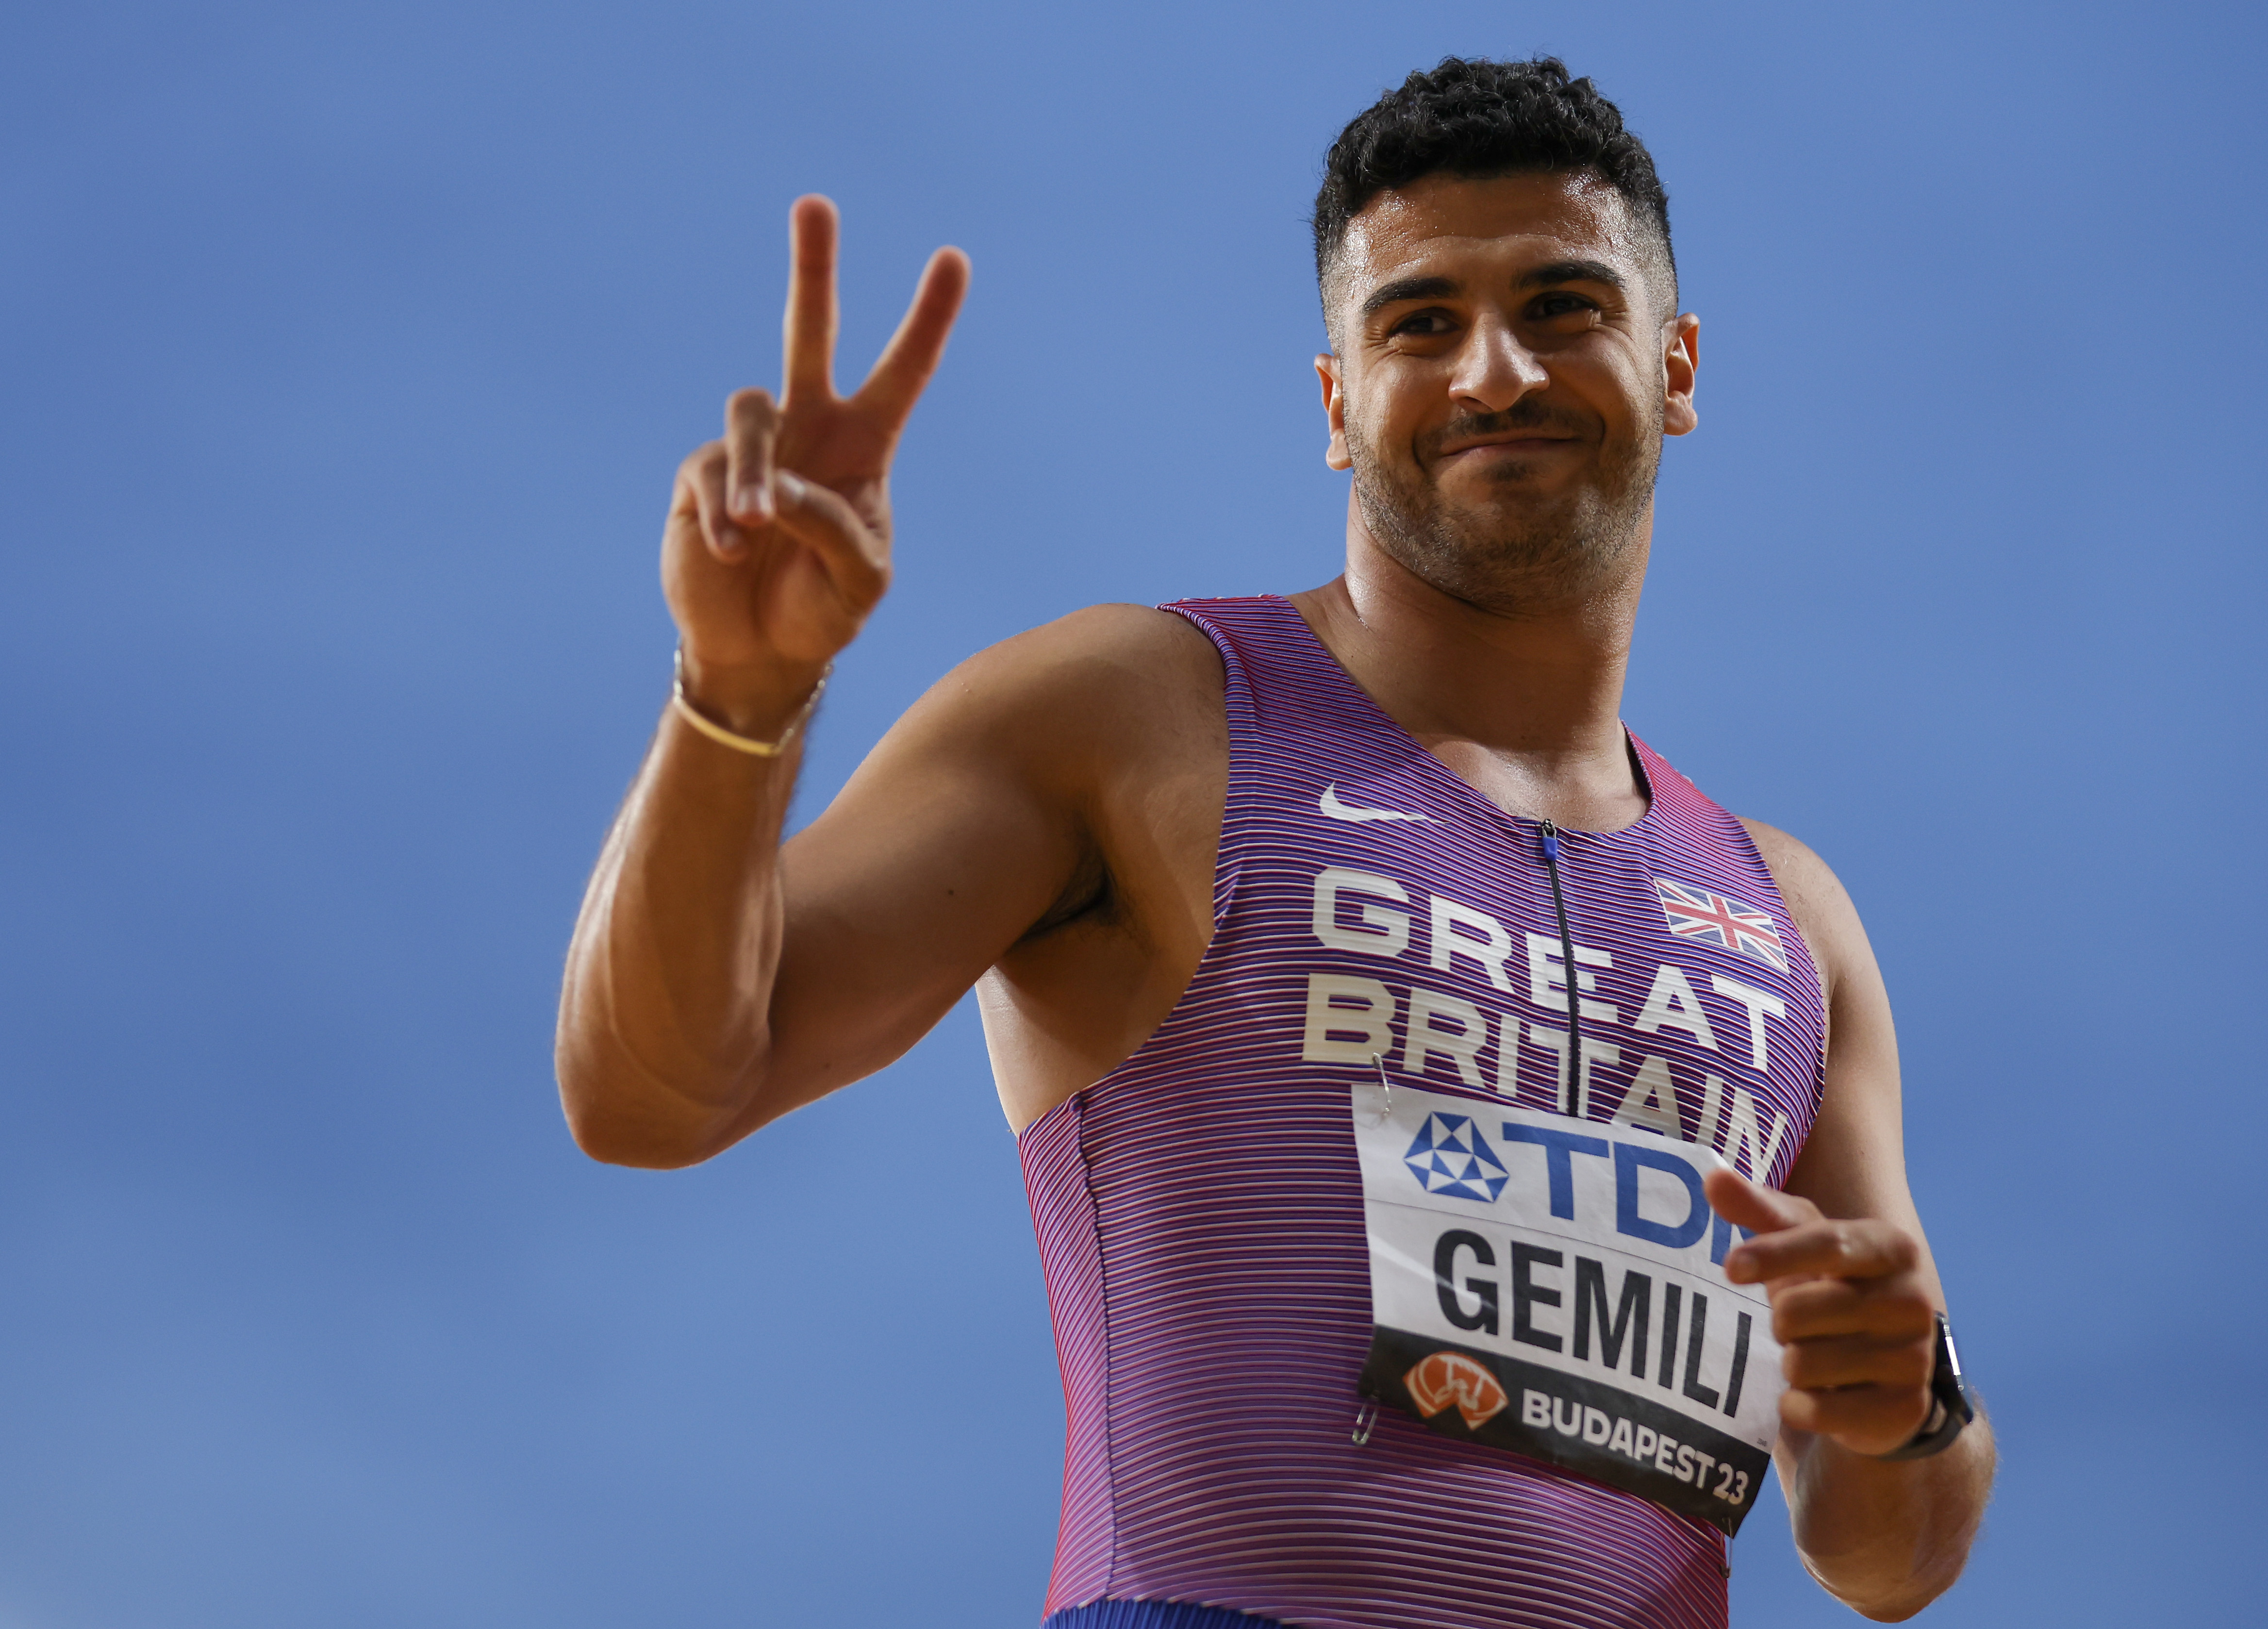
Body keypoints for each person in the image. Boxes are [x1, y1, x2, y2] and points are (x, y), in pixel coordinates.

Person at [557, 56, 1994, 1629]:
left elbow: (1887, 1556)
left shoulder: (1786, 917)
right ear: (1335, 403)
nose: (1493, 371)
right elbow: (651, 1093)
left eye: (1564, 306)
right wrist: (736, 702)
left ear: (1677, 366)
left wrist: (1904, 1407)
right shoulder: (1133, 717)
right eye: (1419, 322)